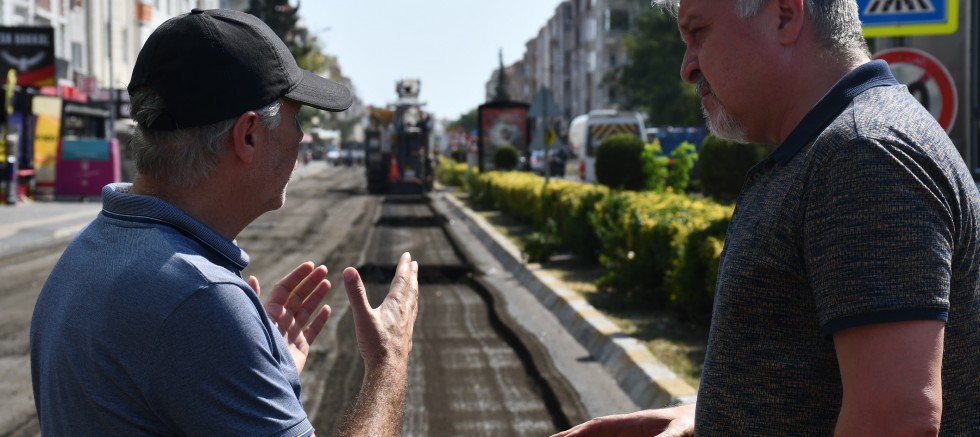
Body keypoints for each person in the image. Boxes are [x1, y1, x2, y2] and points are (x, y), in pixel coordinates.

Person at [554, 0, 980, 435]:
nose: (687, 68)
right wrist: (702, 420)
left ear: (784, 15)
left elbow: (896, 420)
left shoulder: (863, 152)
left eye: (698, 33)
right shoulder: (830, 149)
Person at [30, 9, 419, 437]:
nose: (302, 137)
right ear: (248, 135)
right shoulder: (200, 299)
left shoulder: (86, 252)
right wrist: (389, 365)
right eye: (297, 119)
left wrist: (258, 371)